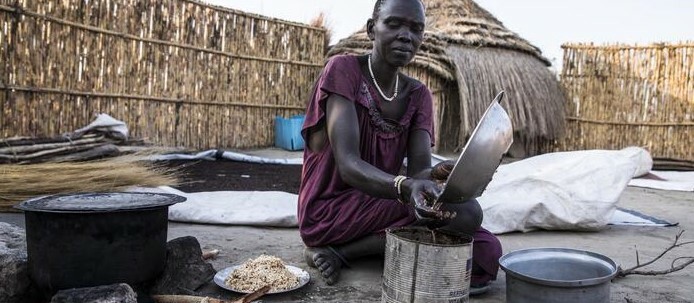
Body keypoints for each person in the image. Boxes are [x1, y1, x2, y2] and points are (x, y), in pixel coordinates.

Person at [297, 0, 502, 294]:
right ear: (372, 29)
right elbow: (348, 164)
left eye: (416, 29)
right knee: (462, 220)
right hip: (332, 207)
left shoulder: (419, 95)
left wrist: (438, 174)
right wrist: (407, 188)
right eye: (394, 24)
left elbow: (419, 172)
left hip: (384, 203)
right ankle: (342, 250)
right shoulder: (343, 70)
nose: (406, 35)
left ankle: (346, 250)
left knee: (484, 246)